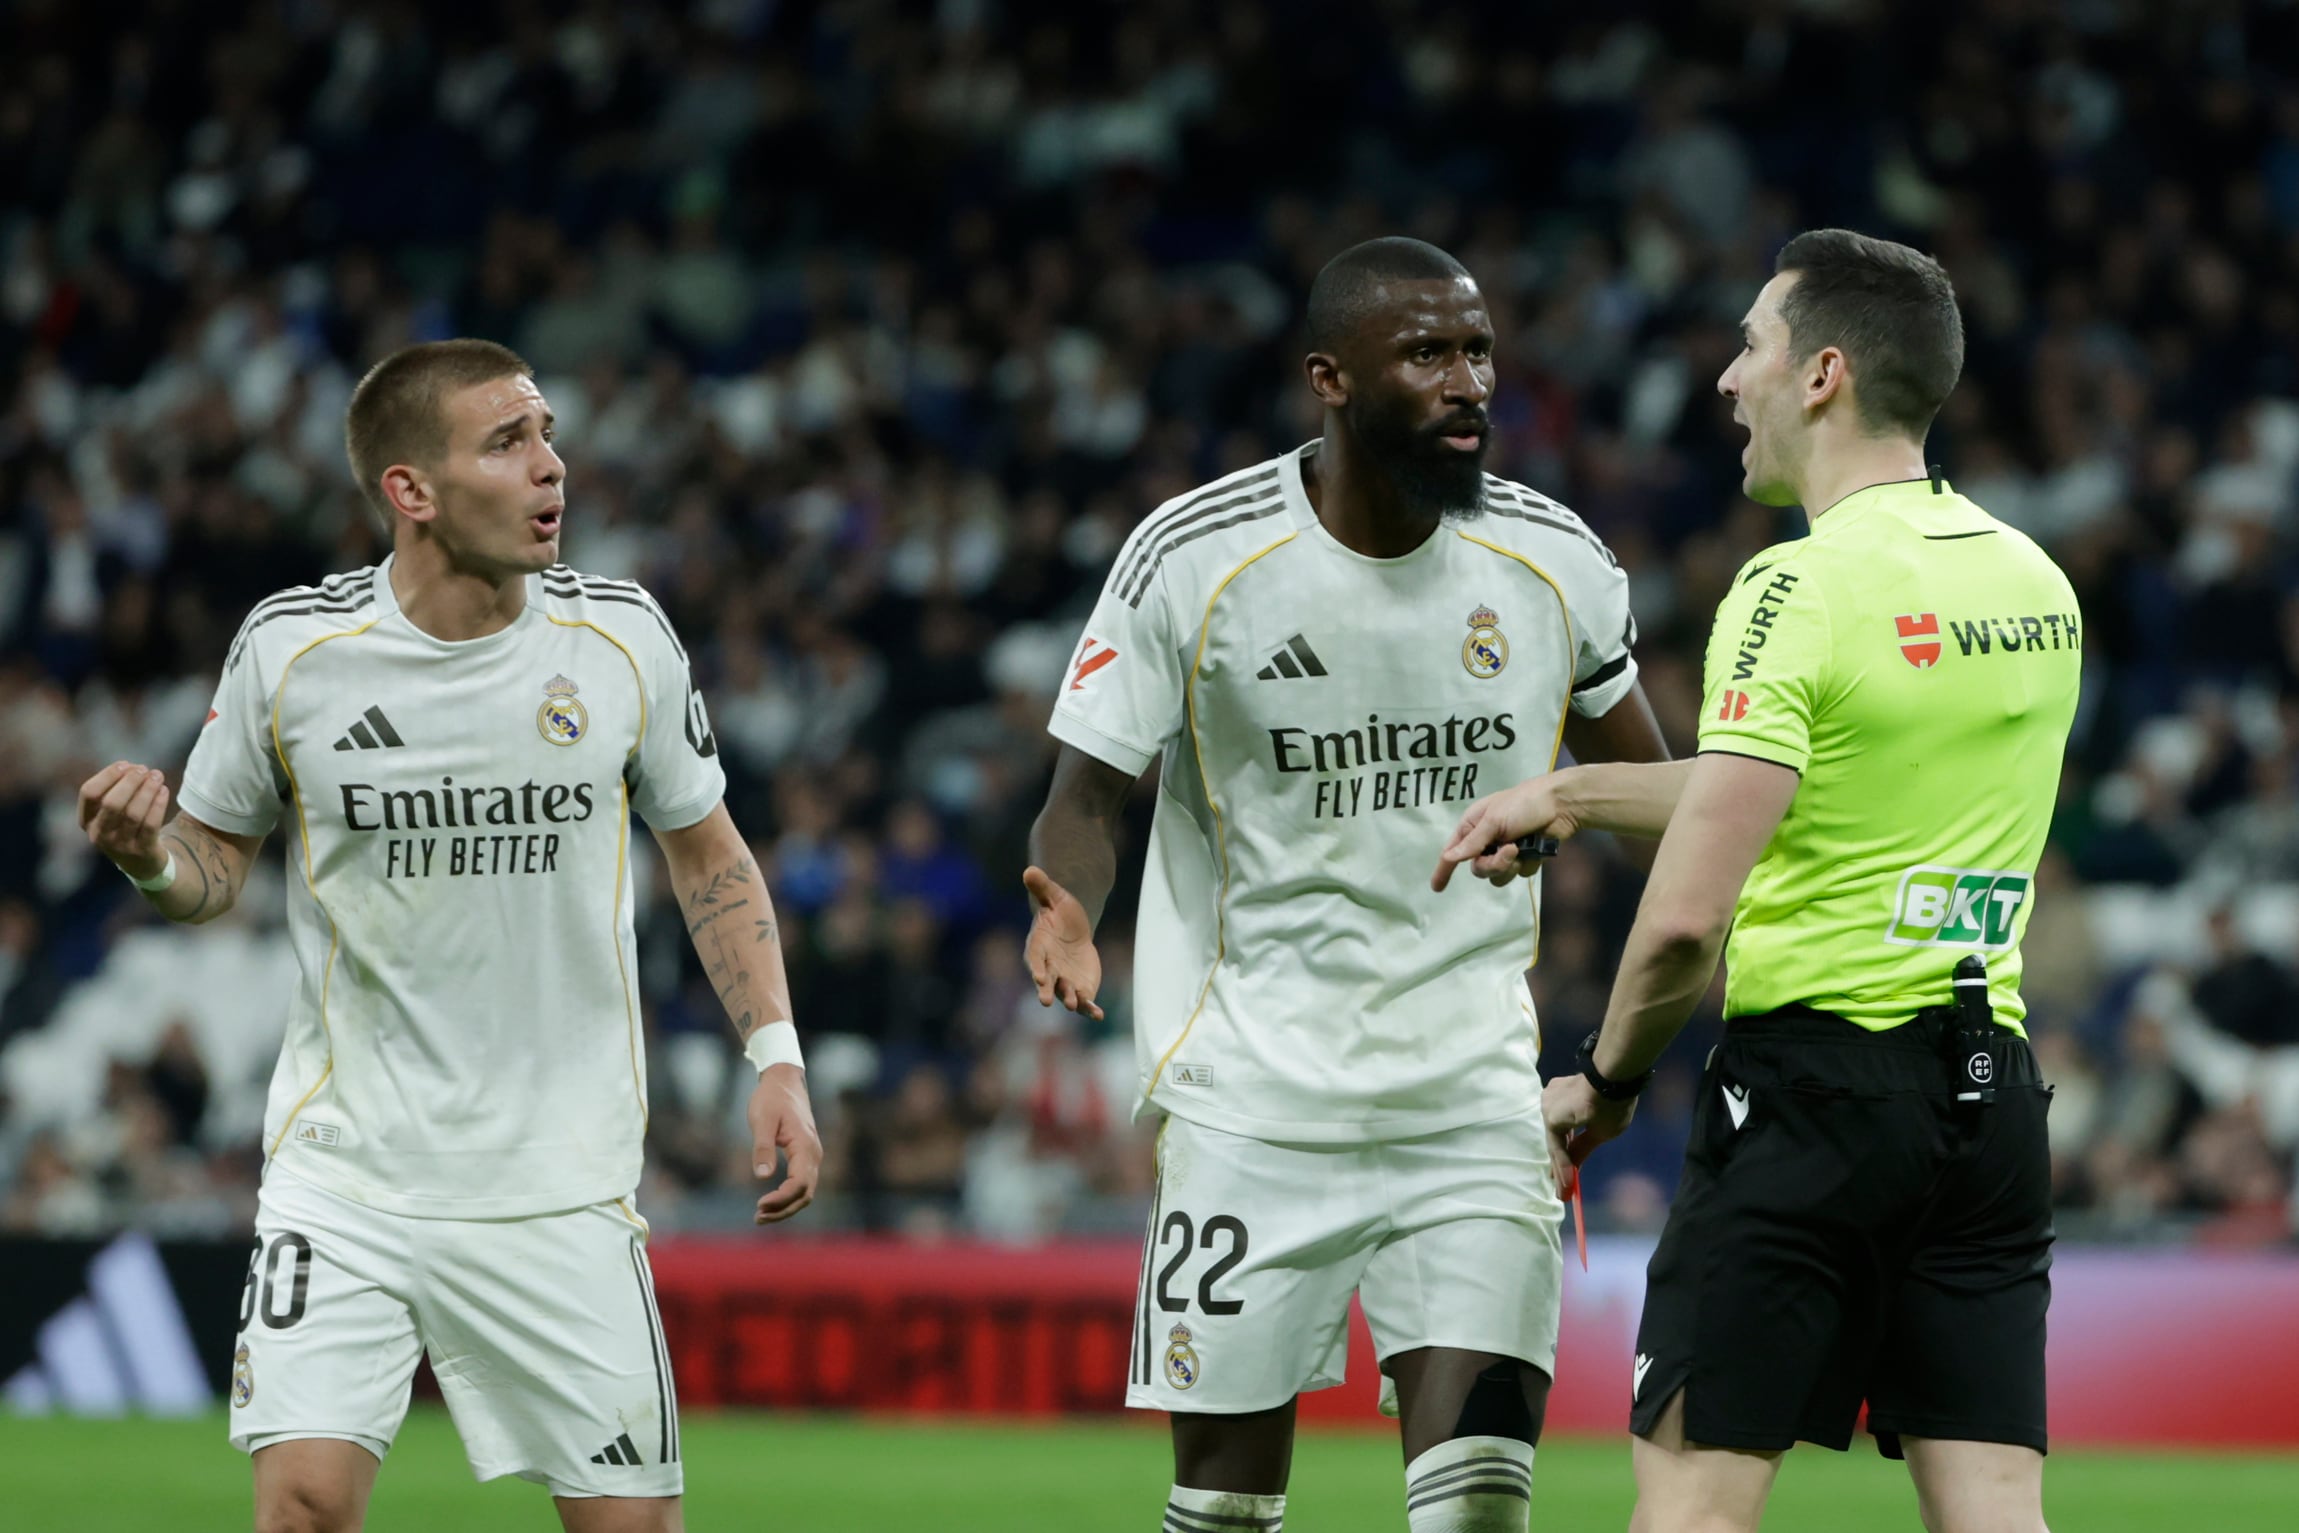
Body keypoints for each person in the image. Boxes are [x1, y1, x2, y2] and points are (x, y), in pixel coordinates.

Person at [76, 339, 822, 1533]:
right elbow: (212, 867)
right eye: (508, 442)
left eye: (547, 435)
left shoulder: (621, 638)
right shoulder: (293, 650)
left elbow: (711, 857)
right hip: (347, 1175)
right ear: (410, 489)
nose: (551, 466)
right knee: (301, 1513)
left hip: (559, 1183)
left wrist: (775, 1057)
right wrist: (148, 859)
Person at [1435, 230, 2079, 1533]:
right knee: (1996, 1513)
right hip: (1986, 1107)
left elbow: (1685, 918)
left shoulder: (1795, 587)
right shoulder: (2030, 581)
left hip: (1809, 1105)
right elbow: (1808, 779)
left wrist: (1604, 1084)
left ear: (1821, 374)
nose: (1728, 380)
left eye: (1749, 346)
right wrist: (1571, 794)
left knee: (1694, 1508)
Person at [1024, 237, 1668, 1533]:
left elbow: (1660, 802)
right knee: (1222, 1513)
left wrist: (1570, 812)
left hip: (1470, 1103)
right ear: (1329, 377)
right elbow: (1084, 793)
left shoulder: (1551, 557)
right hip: (1252, 1100)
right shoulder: (1194, 556)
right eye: (1426, 353)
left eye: (1477, 351)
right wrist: (1068, 906)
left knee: (1478, 1509)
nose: (1466, 381)